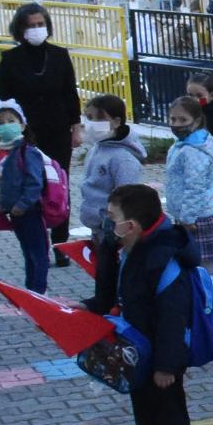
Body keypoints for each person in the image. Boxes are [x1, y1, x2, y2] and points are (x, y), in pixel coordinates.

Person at [98, 183, 202, 425]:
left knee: (170, 418)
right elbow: (112, 293)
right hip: (141, 353)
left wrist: (167, 366)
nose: (107, 224)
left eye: (112, 218)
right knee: (146, 417)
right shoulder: (133, 249)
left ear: (132, 226)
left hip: (162, 359)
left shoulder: (163, 257)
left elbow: (173, 317)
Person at [0, 2, 82, 247]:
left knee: (58, 182)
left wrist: (76, 126)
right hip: (27, 134)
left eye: (40, 24)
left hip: (58, 130)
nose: (36, 29)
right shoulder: (10, 59)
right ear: (20, 29)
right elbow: (3, 96)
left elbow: (70, 94)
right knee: (32, 183)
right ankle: (37, 239)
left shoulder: (59, 55)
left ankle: (60, 243)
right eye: (31, 25)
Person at [73, 92, 144, 303]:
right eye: (89, 117)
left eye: (99, 118)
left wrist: (115, 226)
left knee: (113, 276)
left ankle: (114, 307)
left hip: (113, 229)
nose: (92, 123)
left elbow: (128, 197)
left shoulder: (123, 159)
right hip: (99, 226)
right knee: (103, 274)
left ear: (116, 121)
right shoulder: (98, 149)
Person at [0, 100, 55, 294]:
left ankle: (40, 291)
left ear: (22, 125)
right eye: (0, 122)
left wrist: (23, 204)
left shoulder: (28, 151)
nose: (5, 125)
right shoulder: (1, 153)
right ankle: (31, 289)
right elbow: (0, 182)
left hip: (29, 210)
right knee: (28, 252)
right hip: (14, 212)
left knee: (38, 253)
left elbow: (34, 183)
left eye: (10, 120)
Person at [161, 95, 213, 290]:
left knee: (207, 266)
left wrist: (188, 217)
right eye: (173, 119)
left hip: (197, 217)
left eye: (183, 120)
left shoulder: (194, 151)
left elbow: (195, 187)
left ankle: (211, 308)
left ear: (196, 121)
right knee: (193, 263)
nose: (176, 124)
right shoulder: (181, 146)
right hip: (186, 216)